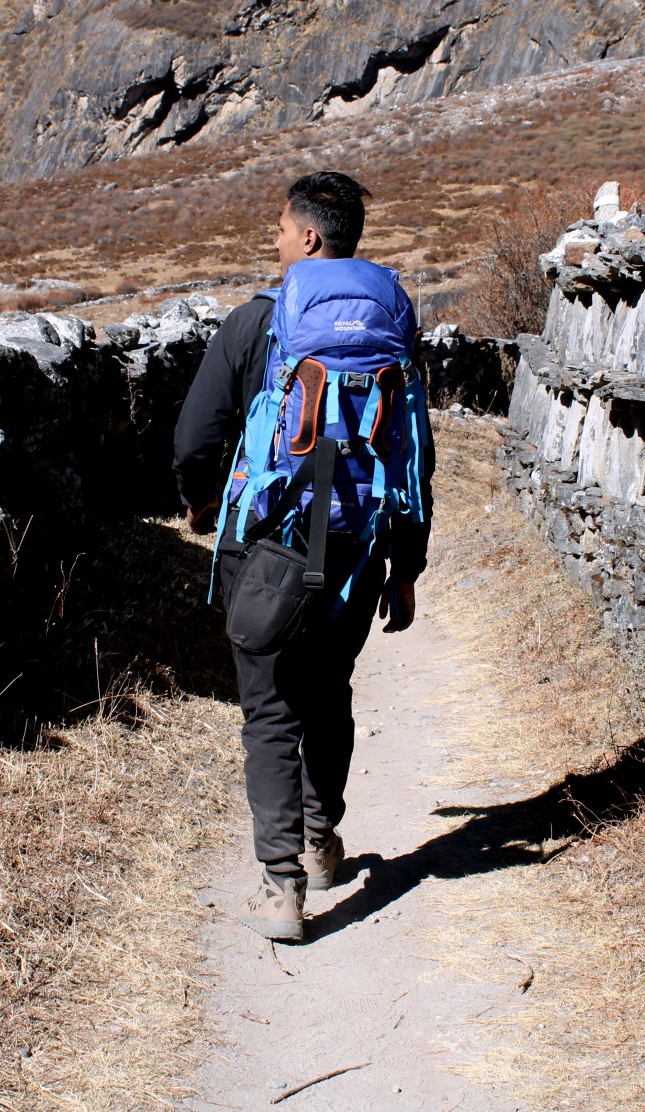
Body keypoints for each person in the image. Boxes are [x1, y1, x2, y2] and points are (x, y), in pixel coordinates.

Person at [172, 171, 434, 942]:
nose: (276, 240)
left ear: (310, 239)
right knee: (330, 692)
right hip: (358, 548)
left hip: (268, 548)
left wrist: (196, 501)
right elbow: (414, 451)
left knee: (269, 711)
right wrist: (407, 565)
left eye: (282, 229)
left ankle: (282, 889)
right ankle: (323, 842)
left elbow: (195, 436)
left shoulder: (254, 325)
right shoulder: (391, 330)